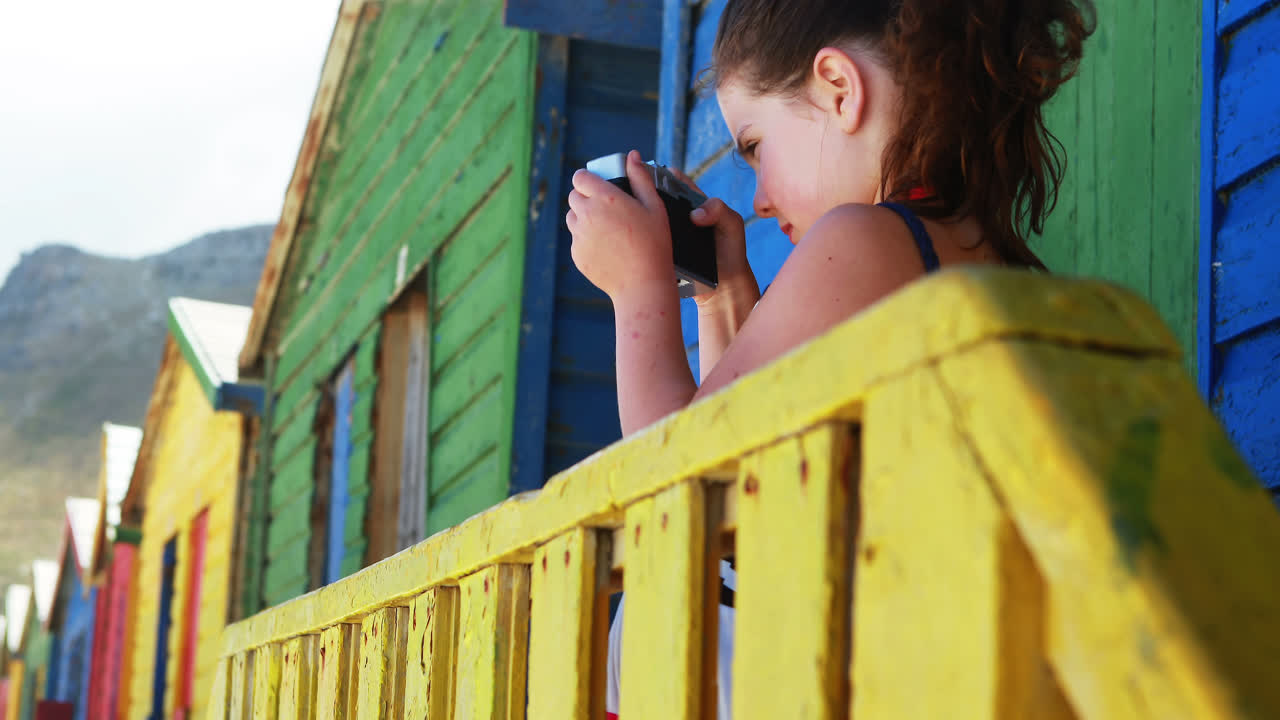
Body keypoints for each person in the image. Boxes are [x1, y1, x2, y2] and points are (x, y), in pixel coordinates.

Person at [567, 0, 1095, 716]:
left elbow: (681, 492)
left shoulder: (868, 241)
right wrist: (722, 304)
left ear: (839, 89)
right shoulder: (973, 257)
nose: (755, 200)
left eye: (755, 146)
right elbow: (747, 464)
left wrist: (638, 289)